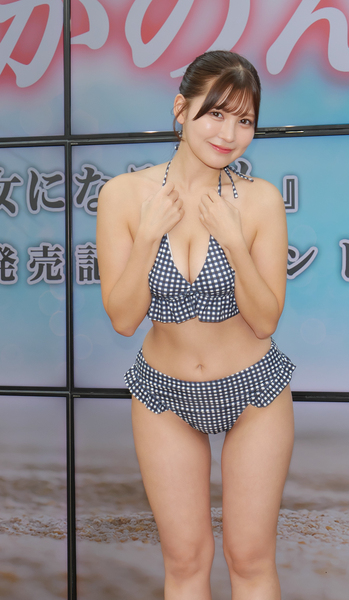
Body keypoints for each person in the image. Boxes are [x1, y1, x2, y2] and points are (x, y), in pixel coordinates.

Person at [97, 50, 295, 600]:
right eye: (216, 113)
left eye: (245, 119)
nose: (229, 133)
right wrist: (148, 236)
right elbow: (123, 319)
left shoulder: (259, 201)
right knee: (185, 561)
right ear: (181, 110)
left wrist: (232, 241)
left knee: (249, 559)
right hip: (163, 392)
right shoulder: (123, 196)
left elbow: (265, 320)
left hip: (253, 390)